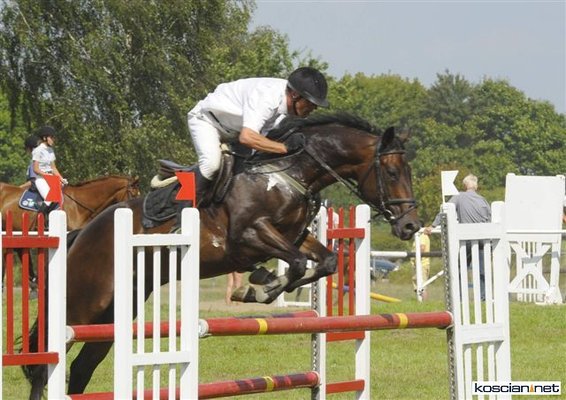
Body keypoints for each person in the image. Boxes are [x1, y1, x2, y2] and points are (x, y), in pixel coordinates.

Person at [187, 67, 329, 206]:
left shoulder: (285, 107)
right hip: (207, 122)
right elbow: (247, 137)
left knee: (252, 170)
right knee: (211, 165)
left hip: (235, 131)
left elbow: (260, 138)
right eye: (311, 102)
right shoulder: (267, 96)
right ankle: (184, 212)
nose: (314, 108)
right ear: (295, 95)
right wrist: (284, 148)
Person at [424, 174, 491, 300]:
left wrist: (433, 226)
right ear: (476, 186)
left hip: (467, 239)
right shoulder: (483, 200)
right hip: (482, 239)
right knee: (482, 270)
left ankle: (459, 296)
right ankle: (483, 296)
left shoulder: (459, 196)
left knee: (460, 268)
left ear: (465, 185)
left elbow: (445, 210)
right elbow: (489, 219)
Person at [32, 126, 67, 216]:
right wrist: (47, 175)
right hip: (41, 179)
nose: (53, 140)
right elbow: (35, 169)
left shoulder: (50, 150)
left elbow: (53, 168)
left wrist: (61, 178)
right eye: (51, 137)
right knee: (50, 198)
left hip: (51, 178)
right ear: (45, 138)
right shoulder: (38, 150)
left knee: (62, 196)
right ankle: (38, 219)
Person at [412, 225, 431, 300]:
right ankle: (420, 302)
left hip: (421, 264)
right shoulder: (420, 236)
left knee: (422, 287)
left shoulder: (422, 235)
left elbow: (422, 247)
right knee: (418, 286)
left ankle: (424, 303)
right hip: (420, 264)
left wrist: (417, 261)